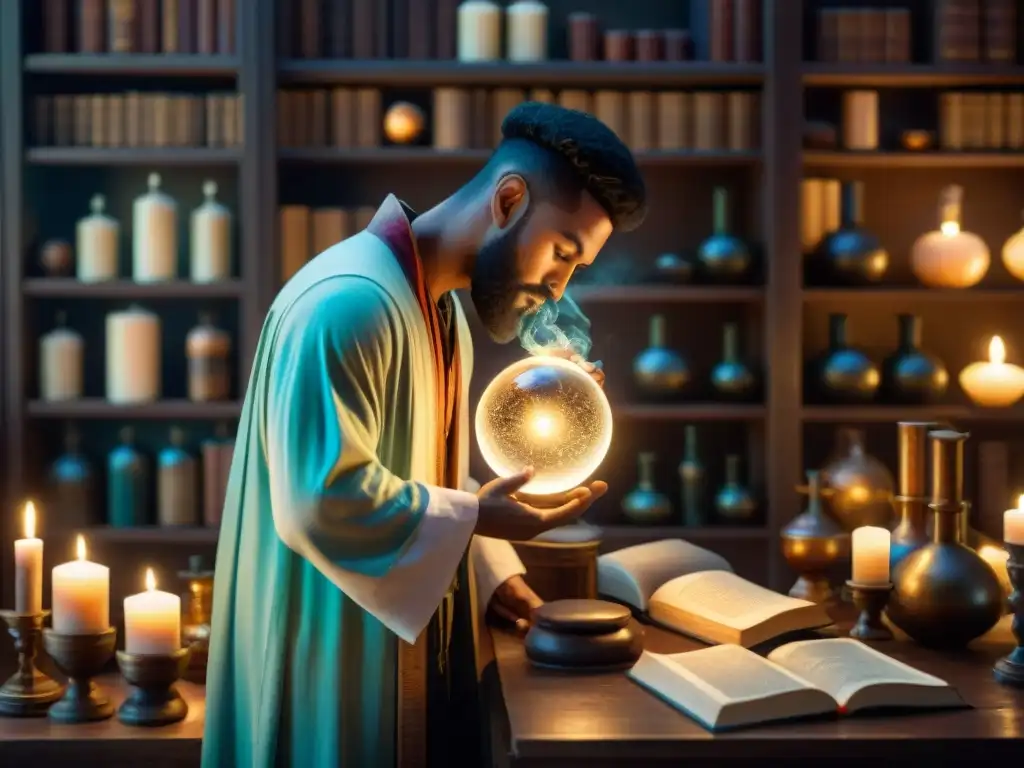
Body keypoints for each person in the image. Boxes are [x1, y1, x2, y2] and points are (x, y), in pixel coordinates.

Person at [201, 101, 647, 768]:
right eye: (562, 253)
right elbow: (320, 500)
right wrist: (475, 519)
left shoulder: (439, 311)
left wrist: (494, 574)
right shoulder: (348, 303)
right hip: (326, 649)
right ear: (508, 199)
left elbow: (422, 481)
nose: (559, 288)